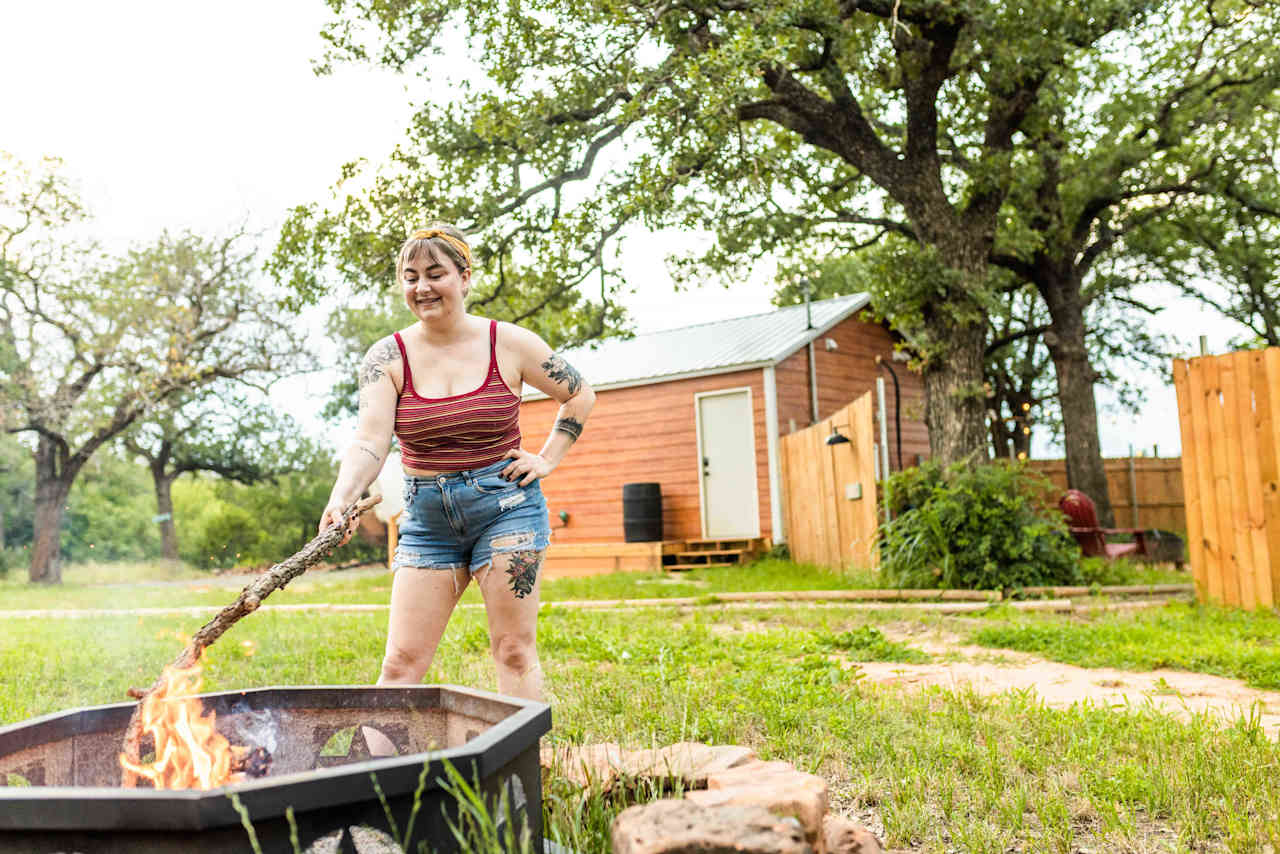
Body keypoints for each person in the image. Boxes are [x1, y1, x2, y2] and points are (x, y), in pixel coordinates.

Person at [319, 224, 594, 701]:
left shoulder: (509, 343)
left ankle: (521, 770)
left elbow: (578, 394)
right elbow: (370, 438)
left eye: (435, 273)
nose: (422, 286)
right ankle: (380, 775)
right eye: (410, 277)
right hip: (426, 518)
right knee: (401, 662)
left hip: (507, 507)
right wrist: (341, 497)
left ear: (464, 278)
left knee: (513, 650)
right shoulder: (387, 356)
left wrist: (547, 459)